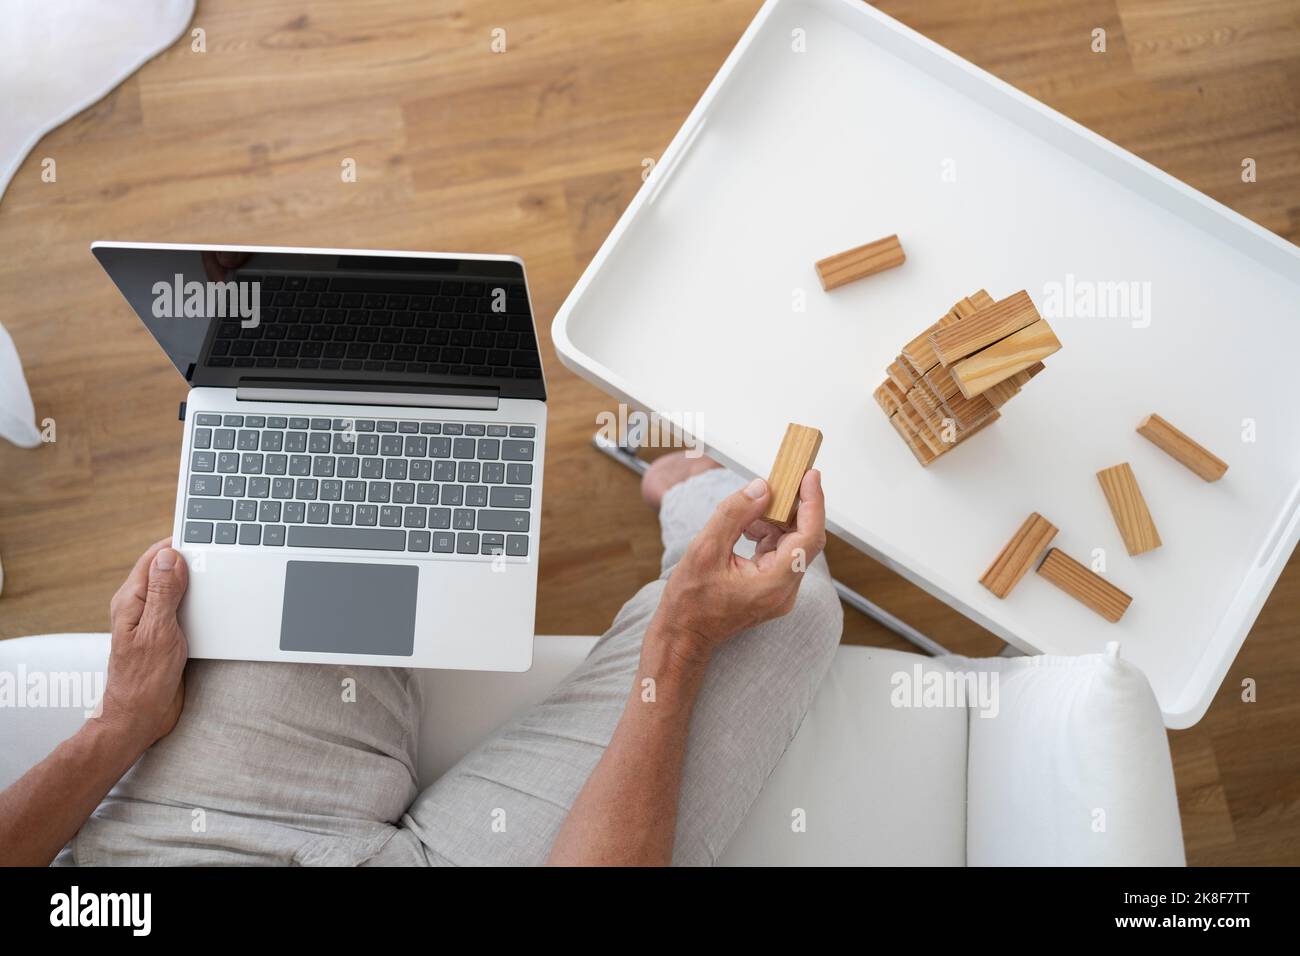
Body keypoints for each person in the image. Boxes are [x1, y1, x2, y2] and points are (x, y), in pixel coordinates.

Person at [0, 453, 841, 866]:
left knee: (313, 469)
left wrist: (119, 726)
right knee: (792, 607)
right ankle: (696, 497)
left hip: (186, 845)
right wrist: (680, 641)